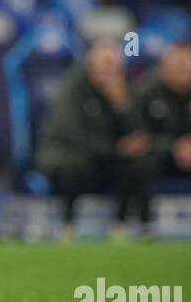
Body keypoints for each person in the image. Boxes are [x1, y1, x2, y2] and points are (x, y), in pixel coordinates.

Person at [36, 39, 150, 238]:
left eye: (114, 68)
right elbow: (71, 135)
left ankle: (122, 225)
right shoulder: (72, 87)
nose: (109, 74)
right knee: (74, 163)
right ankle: (68, 225)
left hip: (106, 157)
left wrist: (121, 105)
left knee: (140, 162)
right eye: (104, 67)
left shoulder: (124, 88)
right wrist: (116, 149)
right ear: (90, 66)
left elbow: (139, 136)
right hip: (67, 153)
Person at [131, 42, 191, 234]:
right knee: (142, 163)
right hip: (162, 155)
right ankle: (145, 224)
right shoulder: (145, 92)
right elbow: (139, 137)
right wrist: (172, 147)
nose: (183, 73)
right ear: (164, 68)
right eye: (178, 67)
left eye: (188, 68)